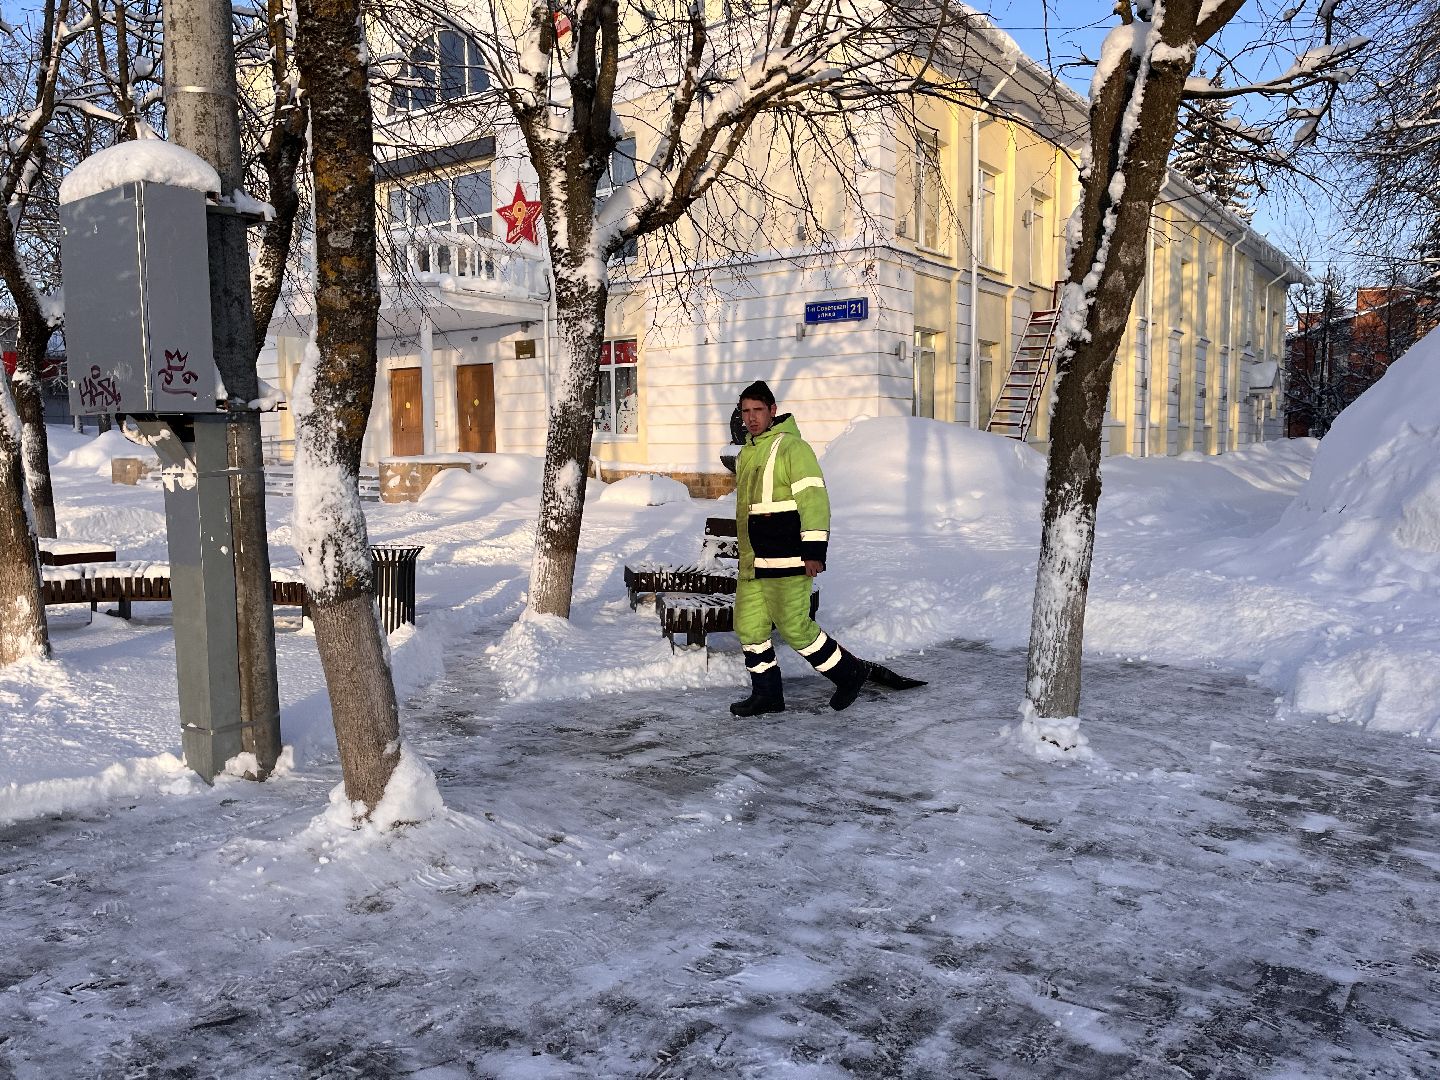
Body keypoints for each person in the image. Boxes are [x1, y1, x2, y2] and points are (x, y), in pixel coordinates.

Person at [729, 380, 870, 715]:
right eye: (746, 411)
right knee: (749, 627)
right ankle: (768, 694)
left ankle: (850, 673)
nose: (751, 418)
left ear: (773, 411)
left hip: (787, 558)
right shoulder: (748, 452)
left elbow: (814, 501)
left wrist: (814, 552)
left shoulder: (793, 448)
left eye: (758, 410)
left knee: (794, 626)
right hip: (753, 563)